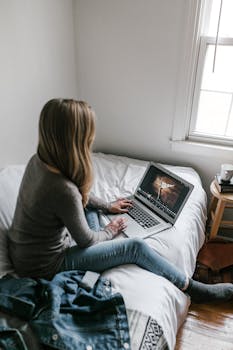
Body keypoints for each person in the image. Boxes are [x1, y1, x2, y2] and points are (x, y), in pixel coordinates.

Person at [8, 98, 233, 304]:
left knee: (90, 209)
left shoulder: (38, 161)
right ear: (75, 139)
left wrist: (107, 206)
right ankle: (193, 288)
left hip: (23, 252)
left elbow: (77, 196)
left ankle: (98, 261)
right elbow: (86, 239)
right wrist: (111, 230)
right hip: (44, 266)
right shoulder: (62, 189)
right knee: (135, 246)